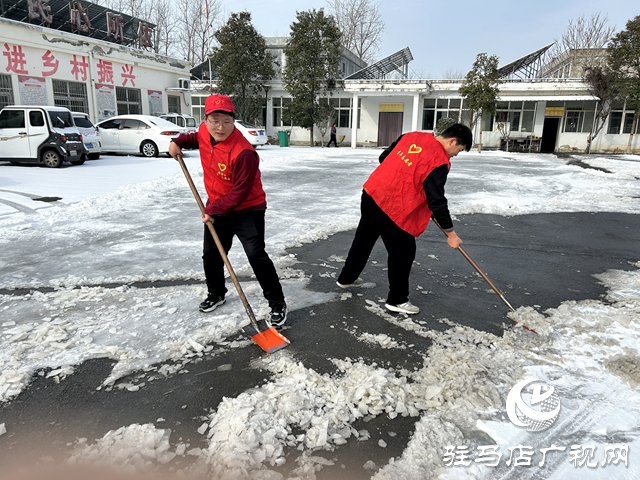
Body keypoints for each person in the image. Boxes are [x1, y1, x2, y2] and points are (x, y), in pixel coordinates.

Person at [168, 95, 287, 326]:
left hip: (248, 209)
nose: (220, 127)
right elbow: (195, 138)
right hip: (217, 205)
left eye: (226, 122)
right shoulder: (205, 131)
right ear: (206, 119)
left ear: (234, 121)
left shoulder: (243, 153)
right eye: (214, 121)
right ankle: (216, 293)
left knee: (256, 255)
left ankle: (277, 302)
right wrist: (178, 141)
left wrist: (213, 210)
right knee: (211, 254)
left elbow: (239, 193)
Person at [336, 124, 473, 315]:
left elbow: (384, 157)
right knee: (403, 251)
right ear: (452, 141)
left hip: (372, 193)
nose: (455, 155)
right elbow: (437, 201)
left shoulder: (412, 136)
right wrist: (451, 234)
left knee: (364, 239)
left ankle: (346, 278)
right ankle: (397, 300)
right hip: (393, 206)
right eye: (458, 150)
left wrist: (400, 177)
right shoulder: (438, 161)